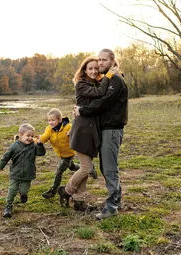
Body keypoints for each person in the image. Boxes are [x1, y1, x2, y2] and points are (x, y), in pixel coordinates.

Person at [73, 48, 128, 219]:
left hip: (111, 129)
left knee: (109, 168)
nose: (100, 63)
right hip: (107, 129)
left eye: (104, 60)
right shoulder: (109, 79)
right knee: (108, 166)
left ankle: (111, 207)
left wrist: (83, 110)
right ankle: (116, 201)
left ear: (113, 61)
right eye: (99, 60)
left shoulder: (116, 80)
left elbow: (102, 102)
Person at [57, 57, 113, 212]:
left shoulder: (96, 83)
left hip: (91, 131)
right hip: (82, 131)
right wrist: (108, 76)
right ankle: (66, 191)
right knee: (87, 168)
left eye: (96, 68)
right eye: (90, 69)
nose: (94, 71)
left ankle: (79, 201)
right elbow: (101, 93)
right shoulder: (82, 84)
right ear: (84, 70)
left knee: (85, 168)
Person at [39, 108, 98, 199]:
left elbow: (77, 130)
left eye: (53, 120)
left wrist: (71, 132)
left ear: (59, 120)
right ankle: (89, 167)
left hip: (69, 153)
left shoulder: (67, 127)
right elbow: (44, 138)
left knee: (59, 170)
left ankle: (53, 190)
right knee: (72, 167)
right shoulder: (49, 129)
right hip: (61, 154)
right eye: (49, 120)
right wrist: (36, 140)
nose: (51, 122)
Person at [0, 123, 46, 218]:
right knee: (12, 189)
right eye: (28, 136)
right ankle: (8, 206)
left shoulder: (34, 146)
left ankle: (23, 194)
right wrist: (0, 166)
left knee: (24, 190)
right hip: (15, 173)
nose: (30, 138)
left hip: (28, 174)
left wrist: (40, 144)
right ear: (20, 135)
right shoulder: (14, 146)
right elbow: (6, 156)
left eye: (32, 136)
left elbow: (41, 153)